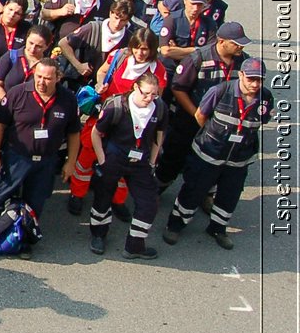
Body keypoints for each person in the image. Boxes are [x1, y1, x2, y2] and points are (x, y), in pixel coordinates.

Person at [164, 58, 273, 250]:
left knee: (229, 196)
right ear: (241, 75)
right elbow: (200, 115)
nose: (255, 84)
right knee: (193, 191)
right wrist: (213, 136)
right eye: (251, 79)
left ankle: (217, 228)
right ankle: (175, 225)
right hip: (209, 154)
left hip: (239, 159)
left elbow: (261, 121)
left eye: (259, 80)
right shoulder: (220, 91)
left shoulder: (265, 98)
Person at [0, 59, 82, 256]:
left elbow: (74, 134)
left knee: (36, 202)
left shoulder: (68, 99)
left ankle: (24, 240)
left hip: (46, 161)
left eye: (47, 78)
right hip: (17, 157)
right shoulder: (17, 93)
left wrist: (71, 162)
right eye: (38, 77)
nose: (41, 82)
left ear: (58, 78)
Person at [87, 72, 167, 258]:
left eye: (154, 94)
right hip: (114, 159)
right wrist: (102, 160)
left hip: (141, 163)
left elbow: (159, 135)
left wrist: (152, 161)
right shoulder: (116, 106)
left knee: (149, 203)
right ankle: (98, 235)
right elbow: (96, 133)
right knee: (103, 199)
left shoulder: (159, 108)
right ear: (135, 88)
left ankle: (135, 245)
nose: (150, 98)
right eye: (146, 93)